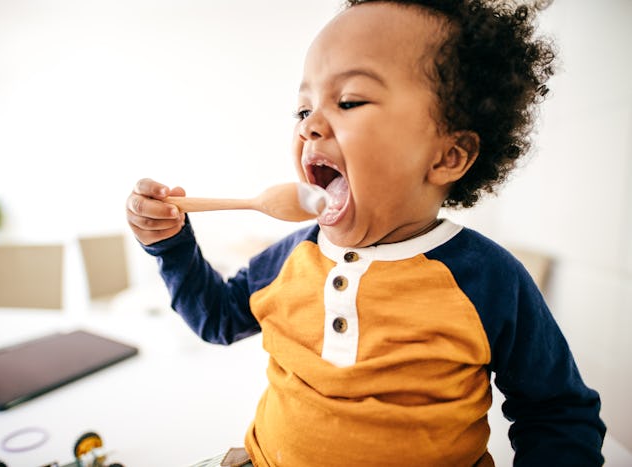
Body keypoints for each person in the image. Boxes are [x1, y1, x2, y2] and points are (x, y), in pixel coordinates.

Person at [125, 0, 606, 465]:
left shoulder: (488, 280)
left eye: (349, 100)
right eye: (302, 109)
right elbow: (218, 319)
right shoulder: (291, 258)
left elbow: (557, 415)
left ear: (447, 156)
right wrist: (170, 245)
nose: (310, 125)